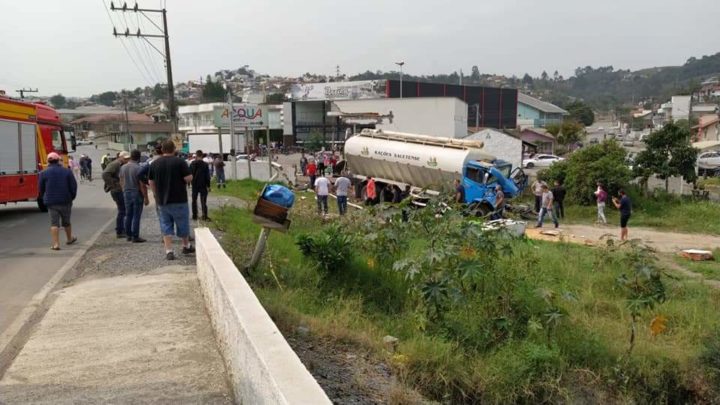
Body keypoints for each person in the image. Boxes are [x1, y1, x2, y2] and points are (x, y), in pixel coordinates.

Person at [148, 140, 195, 260]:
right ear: (174, 149)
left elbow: (151, 182)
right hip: (179, 199)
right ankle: (186, 245)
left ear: (162, 150)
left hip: (162, 200)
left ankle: (169, 250)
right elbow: (188, 178)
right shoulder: (180, 162)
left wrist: (156, 194)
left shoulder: (154, 163)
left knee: (165, 224)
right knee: (182, 222)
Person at [39, 152, 78, 250]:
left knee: (54, 223)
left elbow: (41, 188)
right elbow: (73, 186)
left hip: (51, 202)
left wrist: (45, 196)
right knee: (66, 222)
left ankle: (56, 244)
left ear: (48, 161)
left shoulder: (43, 173)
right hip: (66, 200)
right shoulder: (67, 171)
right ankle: (69, 239)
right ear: (59, 160)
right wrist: (71, 197)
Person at [119, 149, 148, 243]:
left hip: (126, 192)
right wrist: (146, 197)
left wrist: (124, 190)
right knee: (136, 215)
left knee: (128, 214)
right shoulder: (138, 168)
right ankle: (135, 236)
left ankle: (128, 235)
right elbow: (142, 184)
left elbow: (121, 180)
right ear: (139, 157)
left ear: (131, 156)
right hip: (136, 192)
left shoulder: (123, 167)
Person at [103, 151, 130, 238]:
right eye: (125, 158)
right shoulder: (115, 164)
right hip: (117, 190)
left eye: (128, 158)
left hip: (118, 189)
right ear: (120, 157)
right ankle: (120, 231)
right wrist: (114, 185)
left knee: (122, 210)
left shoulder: (120, 164)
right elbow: (105, 174)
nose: (127, 160)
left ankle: (121, 230)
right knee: (122, 210)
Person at [190, 150, 212, 221]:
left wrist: (189, 183)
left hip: (194, 184)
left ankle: (194, 215)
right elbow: (207, 176)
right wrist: (208, 186)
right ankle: (204, 216)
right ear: (202, 156)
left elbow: (190, 174)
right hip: (203, 184)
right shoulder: (205, 165)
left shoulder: (192, 164)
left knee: (194, 200)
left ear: (196, 155)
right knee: (203, 201)